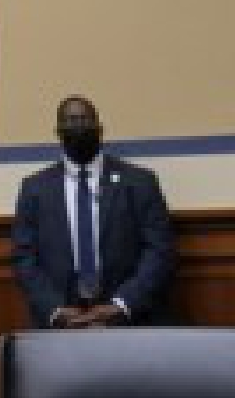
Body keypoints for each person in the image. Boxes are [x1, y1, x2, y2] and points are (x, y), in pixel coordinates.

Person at [10, 95, 175, 329]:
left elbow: (159, 250)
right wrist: (55, 309)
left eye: (84, 119)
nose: (78, 126)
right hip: (60, 325)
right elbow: (24, 257)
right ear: (58, 132)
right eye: (70, 120)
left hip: (129, 321)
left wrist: (122, 304)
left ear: (100, 128)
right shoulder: (34, 188)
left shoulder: (139, 182)